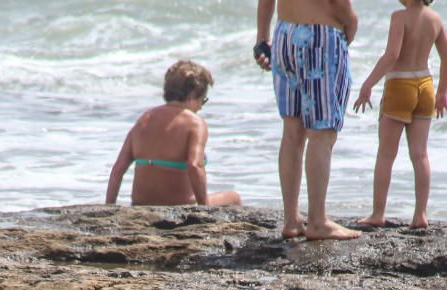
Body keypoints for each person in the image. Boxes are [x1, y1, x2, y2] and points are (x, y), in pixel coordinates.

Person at [254, 0, 362, 241]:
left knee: (293, 130)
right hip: (319, 35)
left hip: (284, 33)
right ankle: (317, 220)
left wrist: (262, 38)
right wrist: (352, 22)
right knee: (321, 133)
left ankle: (291, 219)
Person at [354, 0, 447, 229]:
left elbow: (392, 55)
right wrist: (442, 92)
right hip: (425, 85)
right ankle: (420, 216)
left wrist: (367, 84)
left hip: (399, 85)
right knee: (420, 155)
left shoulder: (399, 17)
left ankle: (378, 213)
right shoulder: (436, 19)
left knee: (386, 154)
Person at [106, 60, 241, 207]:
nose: (201, 107)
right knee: (234, 197)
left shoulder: (144, 119)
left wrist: (110, 207)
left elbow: (118, 168)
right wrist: (204, 207)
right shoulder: (195, 123)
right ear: (192, 96)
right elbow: (195, 166)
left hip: (140, 203)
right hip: (180, 204)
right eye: (203, 101)